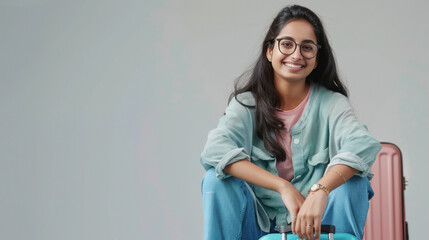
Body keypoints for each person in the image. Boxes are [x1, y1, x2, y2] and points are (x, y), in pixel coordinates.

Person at [200, 5, 381, 240]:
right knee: (217, 179)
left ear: (316, 59)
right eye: (287, 44)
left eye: (307, 47)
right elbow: (215, 150)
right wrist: (282, 186)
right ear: (269, 51)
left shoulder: (332, 104)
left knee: (353, 182)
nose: (296, 55)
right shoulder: (246, 105)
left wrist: (321, 190)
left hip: (319, 230)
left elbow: (363, 144)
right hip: (255, 229)